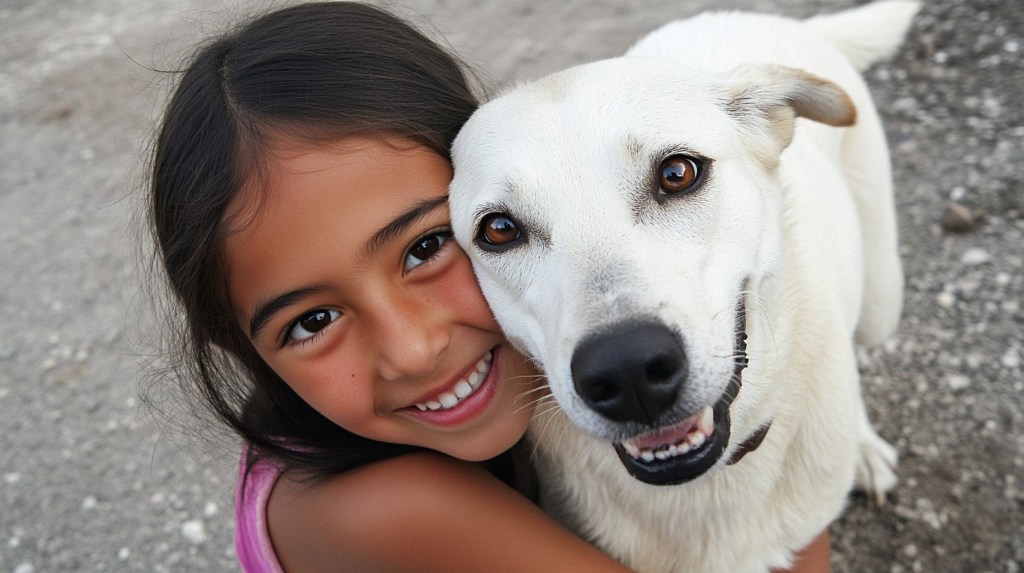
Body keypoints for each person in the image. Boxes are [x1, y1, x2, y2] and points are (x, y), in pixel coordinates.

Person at [146, 2, 830, 571]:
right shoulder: (388, 508)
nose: (412, 349)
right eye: (313, 320)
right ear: (237, 342)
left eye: (425, 248)